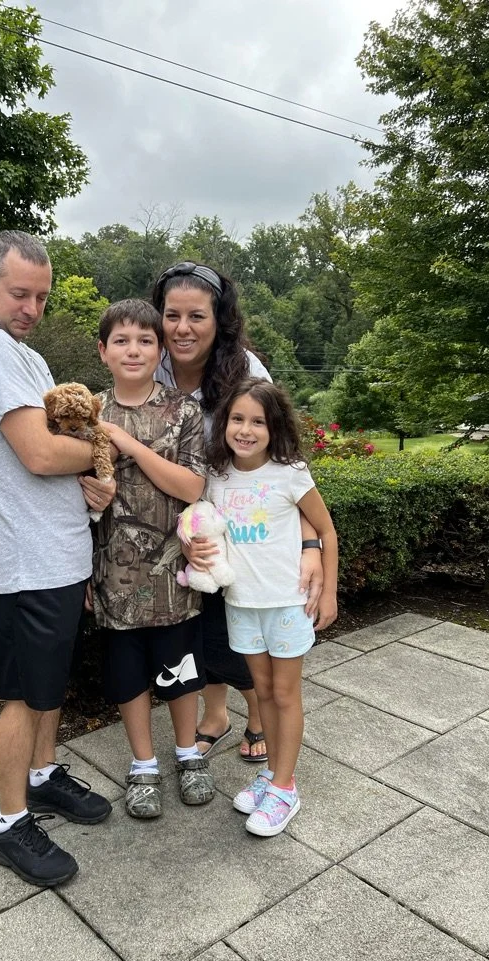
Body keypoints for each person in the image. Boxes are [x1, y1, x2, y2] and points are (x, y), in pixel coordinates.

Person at [0, 230, 115, 888]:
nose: (31, 308)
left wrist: (87, 480)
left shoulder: (23, 356)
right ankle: (10, 821)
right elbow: (42, 453)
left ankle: (42, 778)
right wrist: (109, 452)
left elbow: (56, 447)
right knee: (23, 695)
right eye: (19, 293)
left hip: (57, 555)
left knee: (49, 687)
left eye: (41, 297)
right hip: (26, 562)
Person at [151, 262, 327, 762]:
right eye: (172, 315)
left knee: (238, 616)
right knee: (198, 622)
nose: (182, 328)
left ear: (219, 319)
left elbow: (286, 469)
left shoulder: (245, 371)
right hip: (182, 519)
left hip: (242, 521)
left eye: (197, 316)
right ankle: (215, 713)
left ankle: (257, 715)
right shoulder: (152, 363)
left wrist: (311, 544)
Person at [88, 297, 211, 819]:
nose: (133, 349)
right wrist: (86, 491)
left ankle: (188, 755)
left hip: (173, 575)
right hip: (112, 573)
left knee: (179, 671)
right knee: (128, 674)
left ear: (159, 350)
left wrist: (130, 446)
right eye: (121, 340)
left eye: (144, 340)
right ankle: (143, 764)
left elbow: (193, 486)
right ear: (103, 351)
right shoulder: (90, 413)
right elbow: (73, 484)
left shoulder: (183, 411)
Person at [203, 378, 338, 836]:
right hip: (241, 603)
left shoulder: (290, 472)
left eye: (257, 421)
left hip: (286, 604)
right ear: (224, 424)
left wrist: (331, 591)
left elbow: (326, 530)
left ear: (274, 426)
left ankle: (285, 787)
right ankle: (272, 775)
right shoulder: (216, 476)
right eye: (237, 419)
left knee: (285, 695)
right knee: (261, 695)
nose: (246, 429)